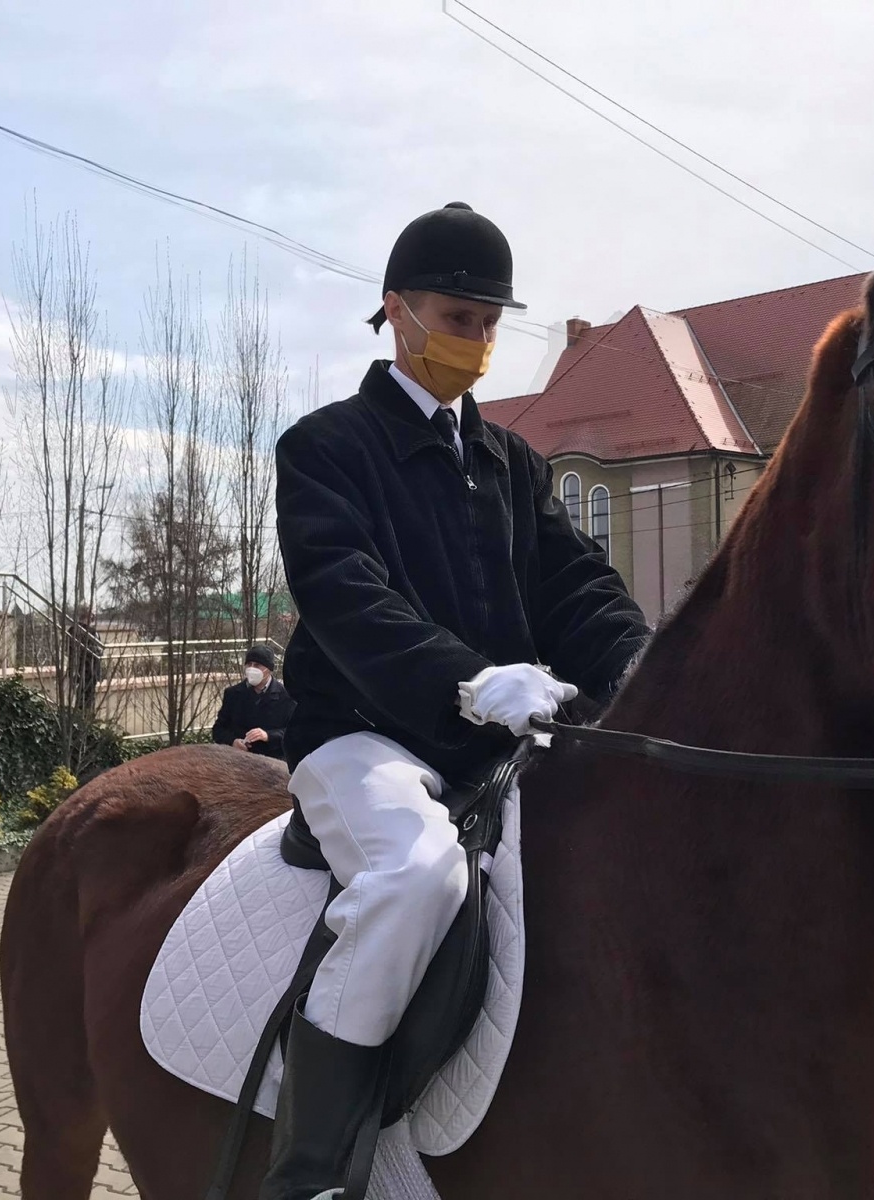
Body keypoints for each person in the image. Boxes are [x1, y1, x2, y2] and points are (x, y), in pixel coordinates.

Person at [266, 202, 651, 1200]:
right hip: (363, 735)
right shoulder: (325, 448)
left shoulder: (512, 463)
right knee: (415, 875)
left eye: (488, 325)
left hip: (502, 748)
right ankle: (311, 1171)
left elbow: (579, 590)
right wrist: (468, 682)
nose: (475, 343)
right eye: (457, 318)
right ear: (396, 311)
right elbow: (344, 590)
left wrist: (645, 671)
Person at [211, 645, 294, 759]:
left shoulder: (286, 697)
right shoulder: (233, 694)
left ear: (268, 669)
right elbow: (218, 730)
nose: (251, 669)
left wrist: (268, 735)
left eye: (257, 665)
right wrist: (233, 741)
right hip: (239, 761)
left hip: (273, 763)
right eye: (249, 664)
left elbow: (294, 732)